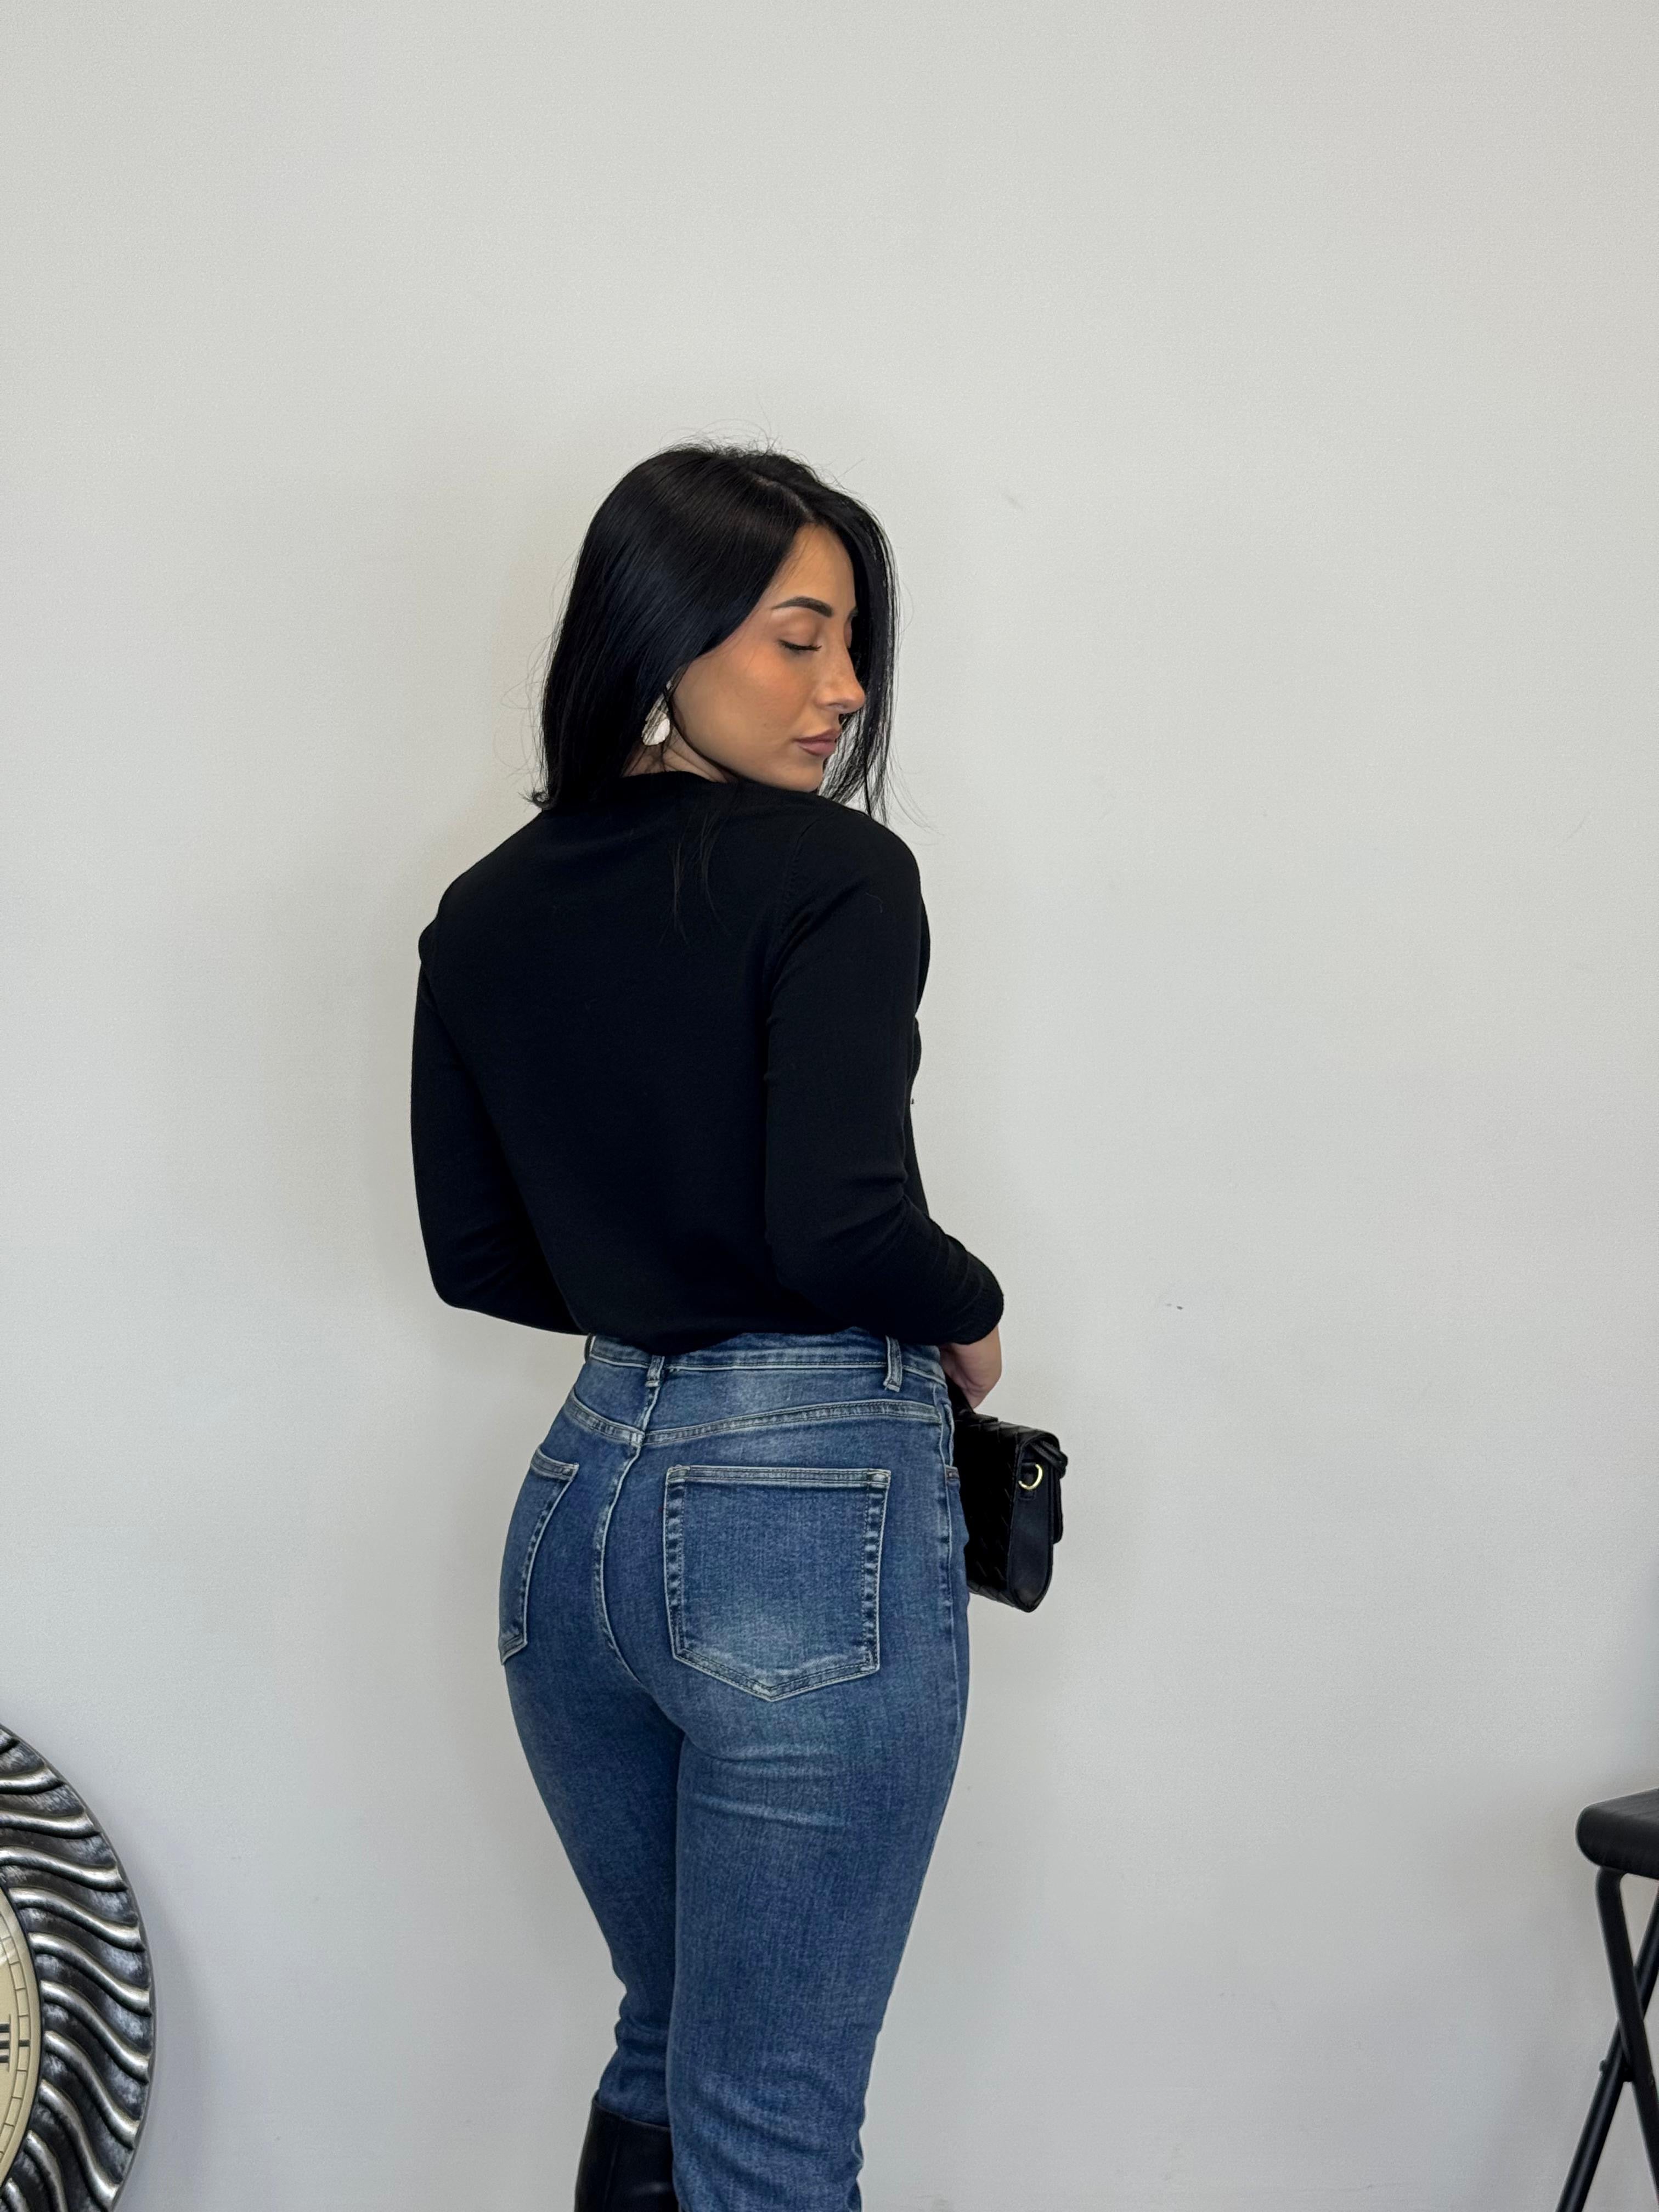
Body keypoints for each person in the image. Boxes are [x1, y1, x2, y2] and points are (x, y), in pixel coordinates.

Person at [410, 442, 1004, 2212]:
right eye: (797, 639)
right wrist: (970, 1313)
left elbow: (479, 1256)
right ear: (661, 637)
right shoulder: (836, 873)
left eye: (852, 644)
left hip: (576, 1515)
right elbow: (844, 1225)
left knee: (671, 2043)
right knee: (772, 2121)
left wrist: (657, 1296)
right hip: (802, 1523)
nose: (845, 689)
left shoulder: (486, 909)